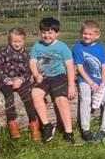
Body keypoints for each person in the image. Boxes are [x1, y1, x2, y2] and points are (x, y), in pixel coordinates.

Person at [30, 17, 76, 145]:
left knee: (61, 100)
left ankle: (69, 132)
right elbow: (32, 62)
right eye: (44, 32)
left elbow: (69, 66)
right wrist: (36, 74)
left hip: (59, 76)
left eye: (50, 32)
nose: (46, 35)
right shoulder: (37, 46)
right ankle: (47, 125)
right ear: (40, 32)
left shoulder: (62, 47)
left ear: (56, 33)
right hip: (44, 77)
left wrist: (71, 85)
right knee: (35, 94)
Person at [72, 21, 105, 142]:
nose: (87, 36)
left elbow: (103, 66)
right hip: (85, 79)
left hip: (100, 80)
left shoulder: (99, 47)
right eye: (85, 33)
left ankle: (104, 130)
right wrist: (90, 83)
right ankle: (85, 129)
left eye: (90, 34)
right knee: (86, 98)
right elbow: (80, 68)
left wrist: (103, 82)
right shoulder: (77, 47)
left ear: (97, 35)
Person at [0, 27, 39, 140]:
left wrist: (21, 80)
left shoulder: (26, 54)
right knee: (9, 96)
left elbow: (28, 71)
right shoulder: (3, 51)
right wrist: (6, 79)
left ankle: (33, 123)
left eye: (19, 41)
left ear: (23, 41)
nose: (17, 44)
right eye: (14, 41)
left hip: (20, 80)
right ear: (9, 40)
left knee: (28, 97)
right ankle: (12, 123)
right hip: (6, 80)